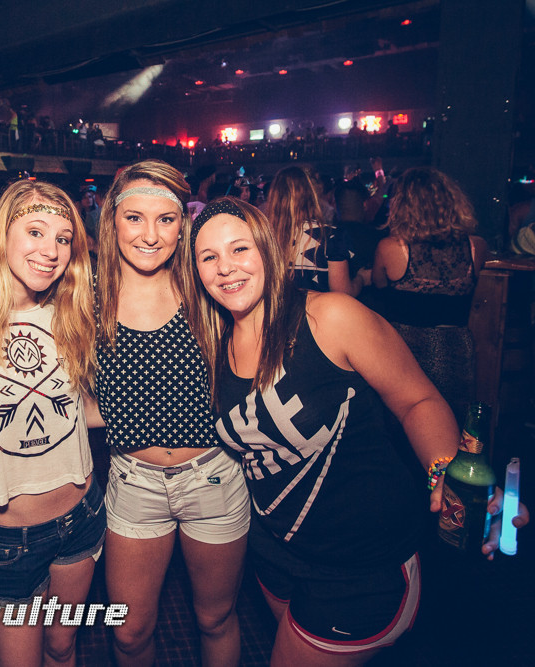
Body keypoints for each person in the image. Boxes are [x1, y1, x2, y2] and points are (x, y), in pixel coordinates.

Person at [189, 197, 526, 667]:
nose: (226, 267)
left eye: (239, 248)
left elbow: (417, 401)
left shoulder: (330, 317)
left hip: (361, 567)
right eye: (209, 257)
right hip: (273, 553)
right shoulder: (213, 343)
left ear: (267, 249)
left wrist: (446, 472)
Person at [87, 160, 250, 667]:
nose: (150, 235)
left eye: (165, 219)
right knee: (130, 633)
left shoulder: (207, 287)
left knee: (214, 619)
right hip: (133, 483)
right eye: (134, 217)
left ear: (183, 225)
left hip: (214, 477)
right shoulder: (87, 295)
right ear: (112, 221)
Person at [0, 180, 101, 667]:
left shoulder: (69, 313)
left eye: (63, 238)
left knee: (63, 648)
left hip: (82, 515)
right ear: (2, 234)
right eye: (35, 231)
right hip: (5, 538)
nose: (50, 251)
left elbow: (74, 409)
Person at [372, 167, 488, 424]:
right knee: (453, 421)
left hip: (405, 350)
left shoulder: (391, 247)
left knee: (403, 424)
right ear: (452, 201)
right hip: (456, 348)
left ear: (401, 205)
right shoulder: (476, 246)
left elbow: (378, 285)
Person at [264, 165, 366, 296]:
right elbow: (342, 294)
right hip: (320, 309)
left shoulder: (263, 236)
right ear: (312, 196)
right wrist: (361, 279)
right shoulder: (331, 237)